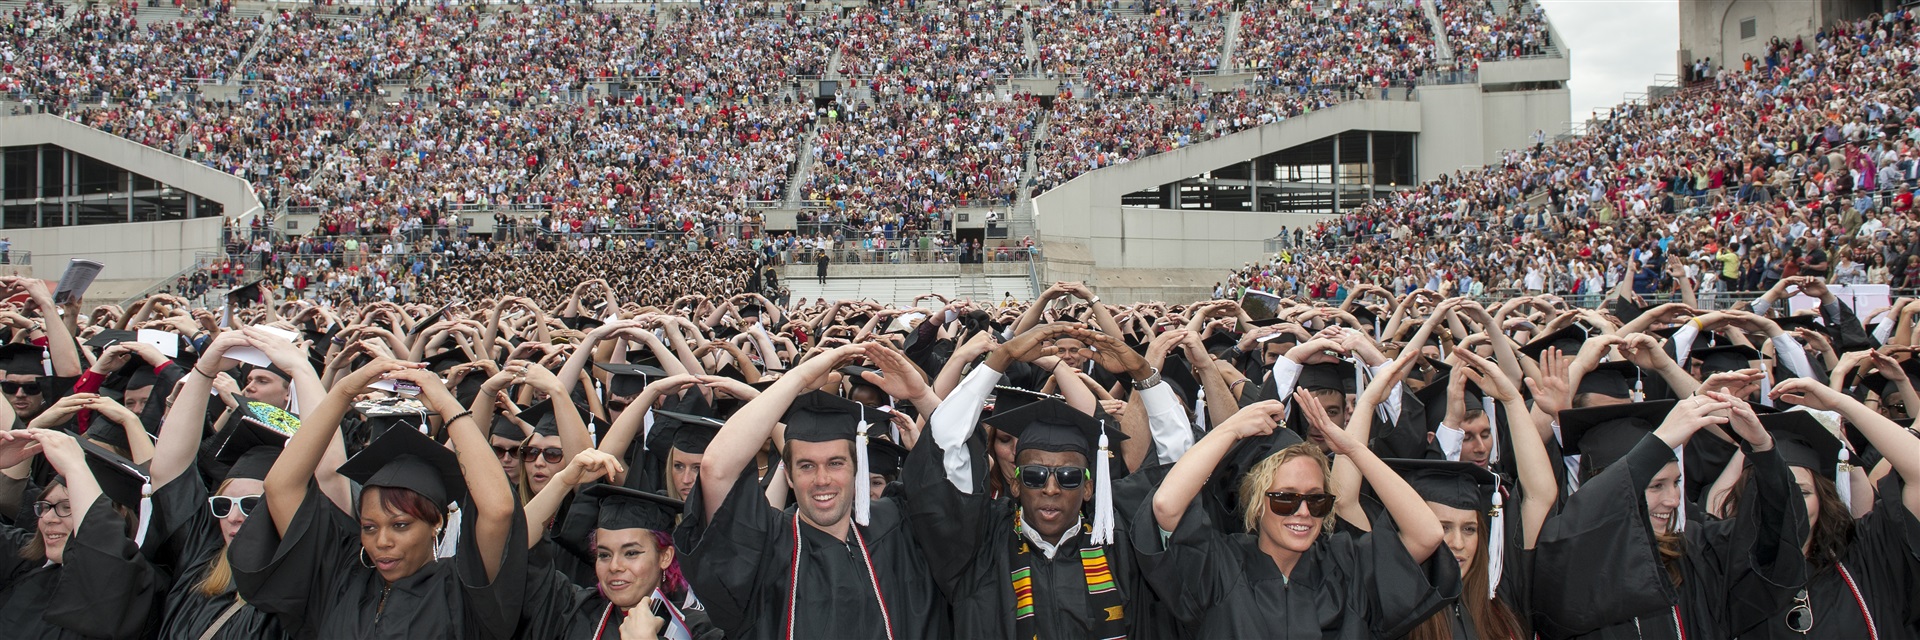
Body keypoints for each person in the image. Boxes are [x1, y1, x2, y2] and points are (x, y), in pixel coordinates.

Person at [1133, 355, 1459, 638]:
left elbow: (1427, 534)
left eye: (1317, 501)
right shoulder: (1220, 567)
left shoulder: (1346, 567)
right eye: (1285, 499)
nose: (1303, 511)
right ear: (1257, 504)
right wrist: (1229, 430)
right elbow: (1165, 505)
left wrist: (1353, 449)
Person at [228, 358, 526, 639]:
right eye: (369, 527)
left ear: (436, 522)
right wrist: (344, 391)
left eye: (400, 525)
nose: (381, 541)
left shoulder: (462, 588)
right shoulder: (340, 577)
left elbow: (499, 510)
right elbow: (281, 487)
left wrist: (446, 402)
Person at [676, 342, 948, 639]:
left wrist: (922, 394)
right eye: (806, 466)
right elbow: (716, 468)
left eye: (835, 463)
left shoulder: (898, 527)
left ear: (856, 468)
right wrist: (798, 378)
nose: (822, 479)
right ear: (788, 476)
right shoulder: (767, 545)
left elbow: (959, 480)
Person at [1531, 393, 1804, 639]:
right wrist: (1659, 443)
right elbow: (1582, 528)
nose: (1673, 500)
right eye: (1656, 485)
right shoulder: (1575, 563)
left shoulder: (1698, 549)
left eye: (1676, 483)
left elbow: (1774, 535)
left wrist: (1763, 449)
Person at [0, 428, 161, 639]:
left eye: (67, 507)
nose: (49, 518)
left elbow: (105, 558)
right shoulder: (28, 564)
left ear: (117, 515)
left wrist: (76, 468)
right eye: (45, 506)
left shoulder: (137, 588)